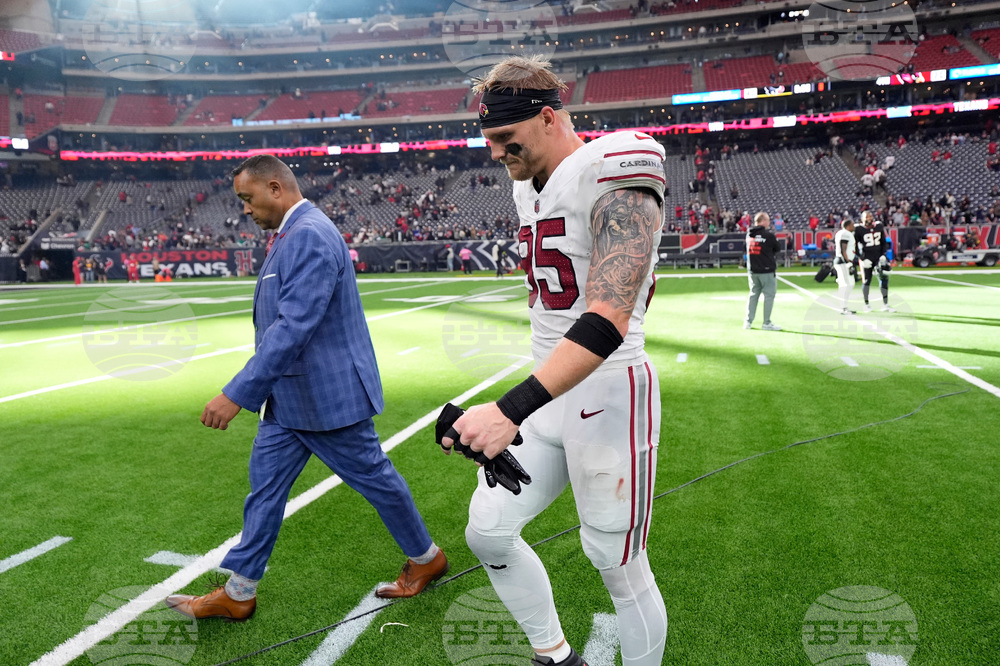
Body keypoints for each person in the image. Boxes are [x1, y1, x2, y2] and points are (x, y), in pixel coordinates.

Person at [442, 56, 667, 666]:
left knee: (616, 564)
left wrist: (509, 408)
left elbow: (610, 319)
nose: (495, 154)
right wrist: (509, 411)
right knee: (487, 531)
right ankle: (556, 655)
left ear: (547, 117)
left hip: (609, 391)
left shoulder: (614, 167)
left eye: (504, 139)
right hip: (547, 393)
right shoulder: (526, 185)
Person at [165, 155, 447, 623]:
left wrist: (237, 393)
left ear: (275, 188)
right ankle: (239, 590)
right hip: (289, 401)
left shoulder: (310, 235)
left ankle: (426, 558)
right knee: (265, 493)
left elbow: (293, 327)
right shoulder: (294, 234)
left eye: (248, 199)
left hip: (326, 398)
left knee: (377, 481)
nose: (245, 210)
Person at [744, 212, 781, 331]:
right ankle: (766, 322)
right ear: (763, 221)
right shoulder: (768, 235)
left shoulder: (749, 235)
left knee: (753, 295)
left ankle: (748, 321)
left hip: (753, 270)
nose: (769, 223)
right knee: (769, 296)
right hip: (766, 270)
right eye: (768, 220)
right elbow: (777, 248)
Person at [855, 211, 894, 313]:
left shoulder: (879, 226)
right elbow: (854, 246)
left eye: (871, 216)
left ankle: (885, 304)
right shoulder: (858, 229)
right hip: (866, 258)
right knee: (867, 281)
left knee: (884, 279)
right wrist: (862, 259)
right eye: (867, 216)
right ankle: (866, 304)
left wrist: (883, 255)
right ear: (862, 219)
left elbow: (884, 242)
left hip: (878, 257)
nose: (869, 218)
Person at [834, 219, 858, 315]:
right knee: (848, 284)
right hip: (843, 262)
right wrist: (847, 261)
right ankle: (843, 307)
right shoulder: (845, 233)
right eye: (852, 225)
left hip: (842, 261)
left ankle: (843, 306)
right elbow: (843, 248)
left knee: (846, 284)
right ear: (848, 225)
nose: (854, 226)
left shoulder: (842, 233)